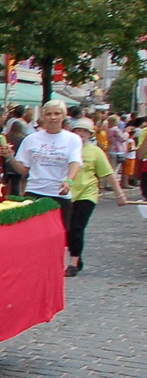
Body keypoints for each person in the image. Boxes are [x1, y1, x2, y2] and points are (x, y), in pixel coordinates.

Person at [65, 118, 130, 276]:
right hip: (66, 194)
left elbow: (108, 174)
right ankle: (77, 256)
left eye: (85, 131)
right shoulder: (66, 148)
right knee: (66, 230)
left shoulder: (95, 152)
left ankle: (73, 263)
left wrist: (119, 194)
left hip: (87, 194)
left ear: (90, 134)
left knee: (77, 227)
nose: (81, 134)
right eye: (78, 130)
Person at [9, 101, 82, 218]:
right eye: (48, 114)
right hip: (34, 191)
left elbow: (74, 162)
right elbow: (23, 170)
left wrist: (69, 181)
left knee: (60, 233)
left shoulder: (73, 139)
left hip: (59, 193)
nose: (53, 117)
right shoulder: (31, 139)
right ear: (43, 116)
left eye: (57, 114)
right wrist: (9, 157)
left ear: (63, 116)